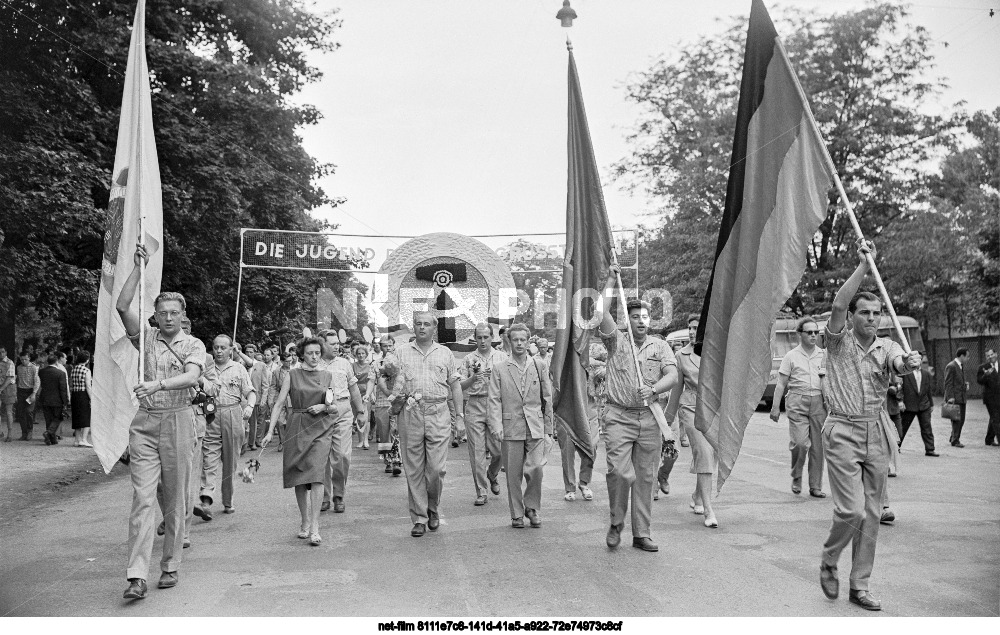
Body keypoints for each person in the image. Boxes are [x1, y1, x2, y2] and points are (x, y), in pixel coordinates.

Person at [818, 241, 920, 612]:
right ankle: (830, 559)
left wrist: (909, 363)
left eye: (877, 313)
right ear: (854, 315)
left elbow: (900, 365)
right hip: (841, 429)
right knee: (852, 512)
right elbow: (837, 305)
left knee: (873, 514)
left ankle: (859, 585)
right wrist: (864, 265)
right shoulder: (836, 341)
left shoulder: (887, 346)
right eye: (865, 312)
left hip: (875, 431)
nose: (871, 318)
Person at [118, 244, 206, 600]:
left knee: (173, 499)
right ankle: (136, 576)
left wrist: (158, 383)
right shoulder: (147, 338)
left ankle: (169, 565)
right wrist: (140, 266)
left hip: (178, 420)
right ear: (154, 315)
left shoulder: (194, 344)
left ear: (182, 315)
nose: (168, 318)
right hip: (145, 423)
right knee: (141, 498)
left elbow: (192, 377)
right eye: (162, 312)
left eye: (174, 312)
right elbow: (123, 306)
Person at [595, 265, 678, 552]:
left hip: (650, 417)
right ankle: (616, 523)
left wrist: (654, 389)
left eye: (644, 317)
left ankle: (641, 533)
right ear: (627, 321)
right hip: (619, 416)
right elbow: (600, 313)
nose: (641, 322)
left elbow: (672, 375)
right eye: (635, 318)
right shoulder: (615, 340)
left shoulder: (660, 346)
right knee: (619, 472)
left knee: (645, 477)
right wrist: (608, 281)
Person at [262, 337, 340, 546]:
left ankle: (315, 526)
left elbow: (333, 406)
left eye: (317, 353)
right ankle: (304, 521)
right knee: (299, 475)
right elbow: (279, 403)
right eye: (310, 353)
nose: (314, 357)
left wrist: (323, 407)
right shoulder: (292, 375)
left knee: (316, 475)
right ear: (302, 355)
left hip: (321, 428)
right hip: (297, 426)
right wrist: (270, 432)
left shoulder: (327, 376)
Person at [394, 311, 464, 537]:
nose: (422, 327)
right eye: (418, 324)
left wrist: (459, 418)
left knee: (436, 469)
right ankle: (419, 517)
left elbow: (455, 386)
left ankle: (433, 507)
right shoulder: (401, 353)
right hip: (410, 412)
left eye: (426, 324)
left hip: (438, 412)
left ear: (434, 329)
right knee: (413, 469)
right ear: (413, 327)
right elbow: (391, 384)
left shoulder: (445, 353)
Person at [487, 323, 552, 528]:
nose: (519, 343)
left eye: (523, 339)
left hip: (535, 425)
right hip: (510, 425)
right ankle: (516, 513)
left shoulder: (539, 365)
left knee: (536, 469)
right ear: (509, 341)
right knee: (513, 473)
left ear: (528, 340)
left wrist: (549, 430)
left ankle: (531, 507)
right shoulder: (499, 368)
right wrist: (496, 425)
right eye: (515, 339)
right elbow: (494, 399)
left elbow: (547, 399)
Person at [664, 314, 718, 528]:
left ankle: (697, 495)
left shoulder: (716, 352)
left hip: (714, 409)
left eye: (697, 328)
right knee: (703, 453)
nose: (692, 331)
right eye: (690, 328)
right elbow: (676, 390)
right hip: (691, 408)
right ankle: (709, 509)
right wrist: (667, 419)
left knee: (712, 454)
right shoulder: (681, 355)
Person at [197, 335, 255, 519]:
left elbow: (250, 391)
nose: (219, 351)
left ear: (231, 349)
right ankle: (205, 500)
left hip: (233, 414)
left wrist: (250, 407)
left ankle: (228, 499)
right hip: (211, 415)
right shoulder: (205, 369)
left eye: (223, 348)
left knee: (230, 462)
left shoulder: (238, 369)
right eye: (215, 347)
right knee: (209, 459)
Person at [770, 317, 828, 498]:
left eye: (815, 332)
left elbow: (831, 381)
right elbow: (781, 384)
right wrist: (775, 407)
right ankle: (796, 475)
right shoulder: (791, 356)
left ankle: (815, 486)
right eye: (809, 332)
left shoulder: (824, 355)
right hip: (797, 402)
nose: (813, 336)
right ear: (800, 334)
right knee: (800, 444)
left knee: (818, 447)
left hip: (819, 402)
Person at [317, 330, 365, 514]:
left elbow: (354, 389)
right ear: (322, 344)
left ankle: (339, 495)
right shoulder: (313, 363)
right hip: (320, 415)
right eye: (332, 343)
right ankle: (324, 496)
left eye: (338, 343)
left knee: (342, 456)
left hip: (343, 413)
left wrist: (360, 412)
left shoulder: (345, 363)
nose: (337, 346)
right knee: (321, 458)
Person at [460, 323, 507, 506]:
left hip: (496, 405)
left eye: (486, 337)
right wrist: (473, 378)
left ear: (492, 337)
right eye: (479, 337)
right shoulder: (469, 359)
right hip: (474, 404)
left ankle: (492, 474)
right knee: (477, 451)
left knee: (500, 449)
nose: (482, 341)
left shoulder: (502, 357)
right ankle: (481, 490)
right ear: (475, 338)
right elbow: (459, 385)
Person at [373, 335, 402, 475]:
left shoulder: (399, 362)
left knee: (396, 431)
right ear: (380, 347)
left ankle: (397, 460)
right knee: (384, 433)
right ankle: (387, 460)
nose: (388, 348)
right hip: (381, 402)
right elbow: (373, 380)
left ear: (394, 346)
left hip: (397, 401)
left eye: (390, 345)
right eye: (385, 346)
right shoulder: (376, 363)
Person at [899, 351, 937, 456]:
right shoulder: (905, 373)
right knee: (903, 427)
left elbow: (928, 390)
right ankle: (896, 447)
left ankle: (930, 449)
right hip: (909, 405)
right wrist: (901, 401)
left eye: (920, 359)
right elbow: (900, 388)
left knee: (927, 427)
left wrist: (931, 404)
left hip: (924, 405)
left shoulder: (926, 374)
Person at [37, 353, 69, 445]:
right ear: (56, 362)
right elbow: (63, 389)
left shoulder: (42, 372)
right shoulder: (61, 373)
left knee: (48, 419)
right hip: (57, 399)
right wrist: (65, 401)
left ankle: (51, 439)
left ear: (48, 362)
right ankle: (49, 433)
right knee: (58, 418)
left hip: (45, 398)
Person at [943, 348, 970, 447]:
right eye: (967, 356)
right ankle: (955, 440)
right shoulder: (951, 366)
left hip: (961, 397)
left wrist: (964, 384)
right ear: (962, 356)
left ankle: (953, 436)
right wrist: (950, 397)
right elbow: (948, 383)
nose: (968, 359)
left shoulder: (960, 366)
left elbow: (957, 381)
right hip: (955, 398)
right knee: (957, 420)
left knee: (961, 419)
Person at [351, 343, 375, 450]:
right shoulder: (352, 366)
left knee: (367, 417)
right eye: (359, 354)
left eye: (363, 353)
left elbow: (372, 381)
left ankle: (366, 439)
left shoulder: (370, 366)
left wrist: (372, 394)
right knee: (357, 416)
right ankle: (360, 440)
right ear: (356, 355)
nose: (361, 355)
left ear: (366, 355)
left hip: (366, 393)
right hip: (355, 393)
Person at [69, 350, 94, 447]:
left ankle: (77, 440)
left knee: (77, 417)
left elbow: (71, 383)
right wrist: (91, 398)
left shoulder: (74, 369)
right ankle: (84, 439)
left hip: (75, 394)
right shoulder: (86, 371)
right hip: (83, 395)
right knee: (86, 417)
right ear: (87, 360)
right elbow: (88, 385)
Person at [14, 351, 40, 440]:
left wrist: (34, 393)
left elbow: (37, 381)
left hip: (30, 391)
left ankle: (30, 431)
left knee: (29, 411)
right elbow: (17, 380)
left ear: (29, 358)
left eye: (25, 359)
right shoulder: (18, 368)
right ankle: (24, 432)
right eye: (22, 359)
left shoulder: (34, 368)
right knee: (21, 413)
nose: (24, 361)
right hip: (21, 391)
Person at [978, 349, 1000, 446]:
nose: (990, 357)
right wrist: (985, 375)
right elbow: (979, 381)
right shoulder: (983, 367)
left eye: (992, 354)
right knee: (996, 418)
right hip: (990, 398)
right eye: (988, 355)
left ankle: (989, 439)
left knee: (994, 417)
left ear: (996, 354)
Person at [0, 347, 16, 441]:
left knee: (8, 411)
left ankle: (9, 434)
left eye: (3, 352)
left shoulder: (10, 363)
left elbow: (9, 378)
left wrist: (1, 389)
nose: (1, 354)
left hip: (8, 388)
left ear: (6, 352)